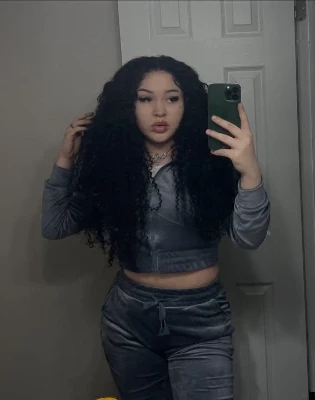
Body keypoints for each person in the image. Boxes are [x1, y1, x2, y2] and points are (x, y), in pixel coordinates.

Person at [41, 55, 270, 400]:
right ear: (128, 105)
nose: (159, 111)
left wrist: (250, 172)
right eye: (145, 98)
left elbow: (250, 237)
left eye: (172, 98)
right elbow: (54, 225)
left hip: (201, 321)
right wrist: (65, 159)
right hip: (128, 320)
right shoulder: (113, 164)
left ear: (187, 104)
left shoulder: (214, 162)